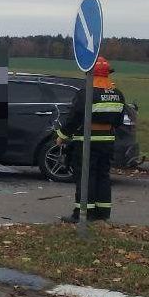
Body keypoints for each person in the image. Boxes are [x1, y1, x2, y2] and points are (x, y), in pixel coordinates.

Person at [57, 57, 126, 222]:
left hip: (86, 140)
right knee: (103, 175)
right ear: (108, 73)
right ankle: (102, 213)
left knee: (85, 176)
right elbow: (118, 121)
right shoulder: (117, 94)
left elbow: (75, 117)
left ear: (90, 73)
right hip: (107, 140)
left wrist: (62, 135)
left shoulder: (87, 92)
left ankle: (82, 214)